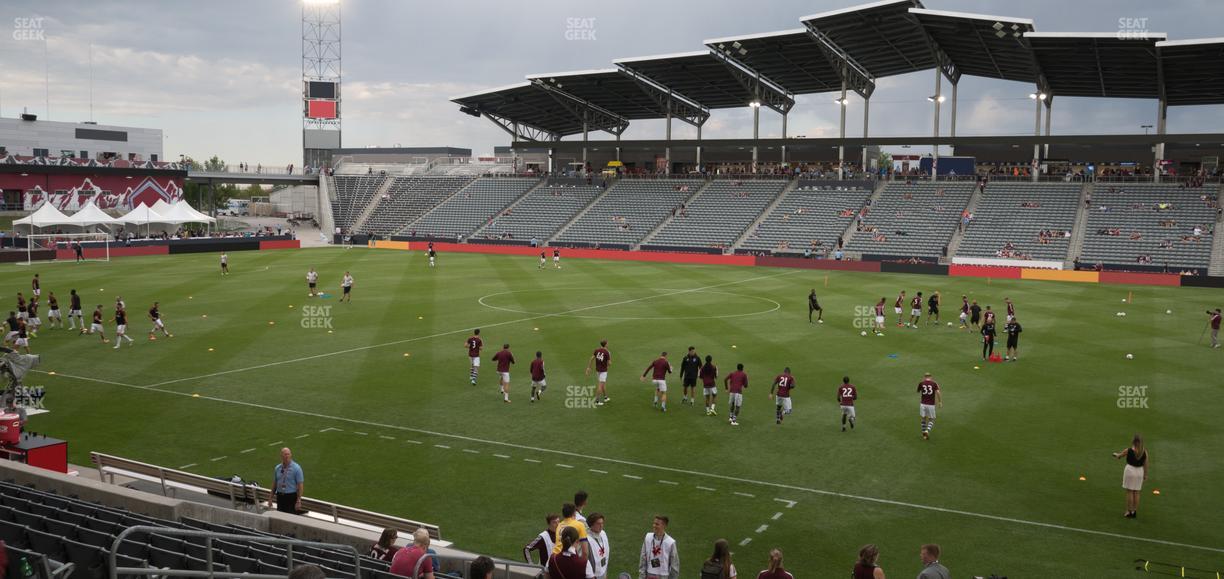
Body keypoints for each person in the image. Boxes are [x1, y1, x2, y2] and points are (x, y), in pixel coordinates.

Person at [1113, 434, 1151, 518]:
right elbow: (1146, 464)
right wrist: (1145, 474)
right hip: (1139, 472)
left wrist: (1116, 455)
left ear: (1133, 442)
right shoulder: (1144, 452)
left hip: (1130, 471)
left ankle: (1128, 511)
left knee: (1129, 492)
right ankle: (1134, 511)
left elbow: (1120, 455)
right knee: (1136, 492)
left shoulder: (1129, 450)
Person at [271, 447, 304, 514]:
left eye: (288, 454)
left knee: (290, 518)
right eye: (285, 454)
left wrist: (299, 500)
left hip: (291, 497)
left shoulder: (297, 468)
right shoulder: (277, 468)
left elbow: (300, 486)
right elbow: (275, 483)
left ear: (291, 455)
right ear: (281, 456)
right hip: (280, 497)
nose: (287, 456)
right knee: (280, 517)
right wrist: (270, 498)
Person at [586, 340, 611, 405]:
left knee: (603, 384)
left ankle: (606, 397)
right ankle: (597, 401)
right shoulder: (607, 352)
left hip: (598, 370)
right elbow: (609, 363)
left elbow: (592, 358)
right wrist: (609, 365)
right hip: (603, 371)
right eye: (607, 343)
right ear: (605, 345)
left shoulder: (597, 350)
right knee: (600, 385)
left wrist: (589, 367)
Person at [917, 373, 941, 440]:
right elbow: (938, 392)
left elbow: (918, 391)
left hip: (923, 404)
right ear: (931, 377)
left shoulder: (921, 383)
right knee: (932, 419)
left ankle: (924, 433)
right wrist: (940, 402)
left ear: (924, 377)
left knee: (923, 418)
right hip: (931, 404)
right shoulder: (934, 383)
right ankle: (927, 431)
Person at [587, 513, 610, 579]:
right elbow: (585, 560)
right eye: (598, 524)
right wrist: (590, 575)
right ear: (591, 524)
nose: (601, 526)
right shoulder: (586, 539)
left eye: (602, 523)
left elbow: (606, 552)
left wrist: (605, 571)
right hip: (593, 575)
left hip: (603, 570)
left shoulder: (603, 533)